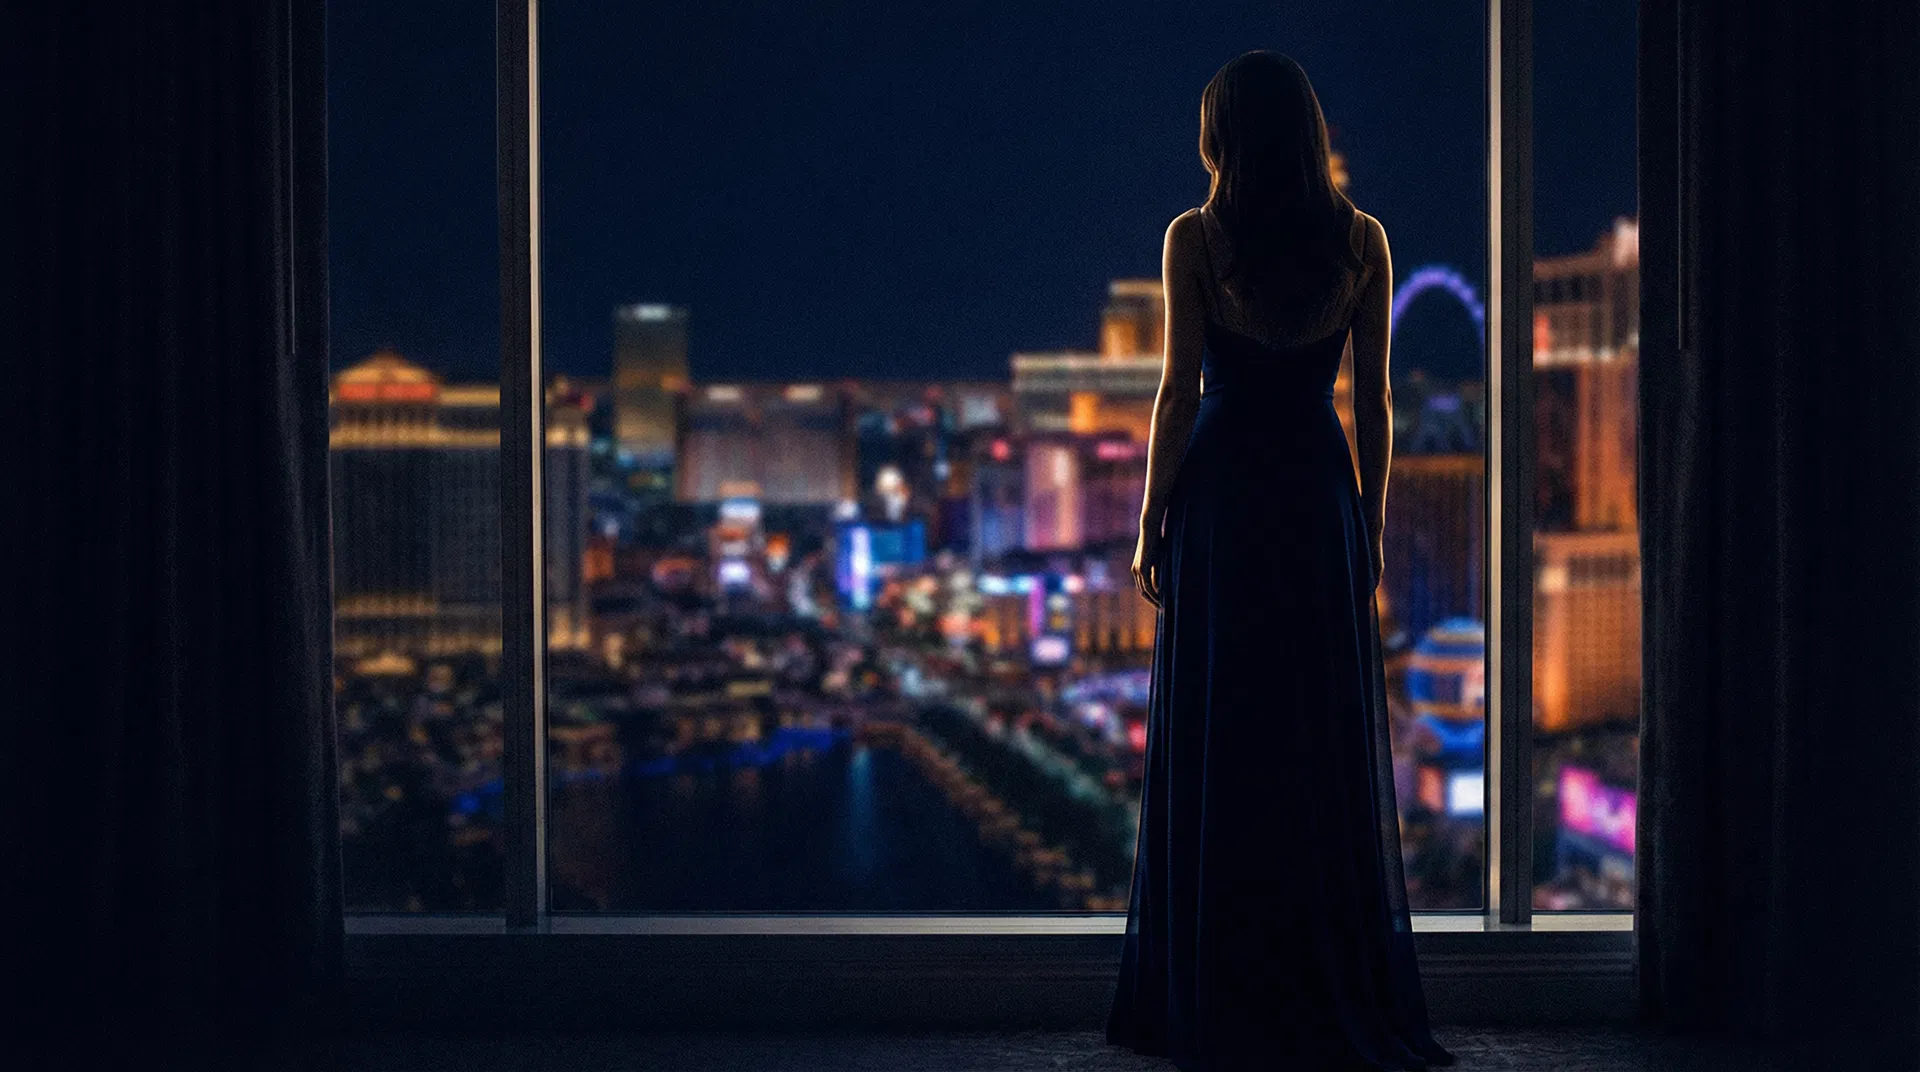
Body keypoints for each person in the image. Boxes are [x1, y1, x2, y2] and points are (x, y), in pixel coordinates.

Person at [1105, 51, 1455, 1071]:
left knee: (1225, 731)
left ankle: (1215, 984)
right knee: (1313, 737)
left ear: (1221, 134)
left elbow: (1177, 392)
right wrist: (1370, 523)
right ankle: (1320, 981)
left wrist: (1150, 522)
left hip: (1222, 503)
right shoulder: (1363, 241)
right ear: (1308, 132)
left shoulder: (1195, 238)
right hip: (1314, 496)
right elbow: (1374, 402)